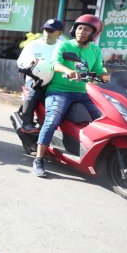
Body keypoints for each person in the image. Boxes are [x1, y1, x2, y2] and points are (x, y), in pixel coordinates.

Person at [32, 14, 109, 177]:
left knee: (103, 119)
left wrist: (108, 77)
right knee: (52, 120)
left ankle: (99, 158)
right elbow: (55, 63)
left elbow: (100, 70)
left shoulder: (95, 50)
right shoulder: (65, 46)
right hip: (60, 90)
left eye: (86, 29)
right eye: (79, 28)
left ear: (93, 33)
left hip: (84, 92)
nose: (81, 31)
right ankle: (39, 158)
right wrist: (68, 71)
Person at [16, 18, 64, 132]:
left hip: (55, 80)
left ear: (59, 33)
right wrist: (28, 66)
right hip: (35, 79)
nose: (47, 33)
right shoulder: (33, 45)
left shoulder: (63, 47)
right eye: (46, 30)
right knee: (34, 92)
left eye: (51, 31)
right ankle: (26, 124)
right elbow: (20, 61)